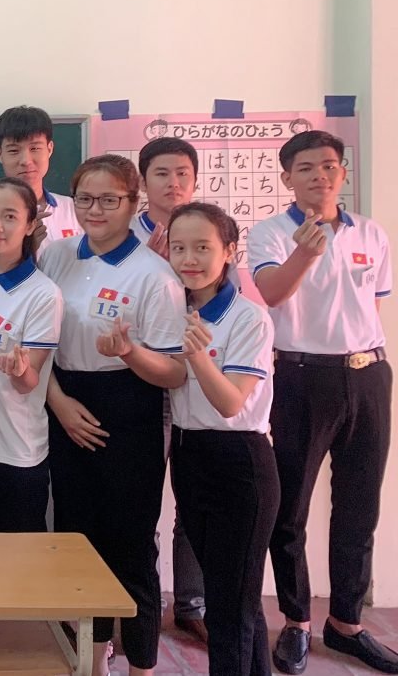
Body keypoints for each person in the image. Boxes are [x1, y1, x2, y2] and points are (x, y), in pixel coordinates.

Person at [247, 130, 397, 675]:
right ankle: (296, 621)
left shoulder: (371, 233)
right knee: (290, 507)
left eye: (330, 166)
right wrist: (306, 253)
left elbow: (371, 306)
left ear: (343, 173)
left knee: (360, 506)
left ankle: (347, 624)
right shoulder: (269, 234)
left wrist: (365, 363)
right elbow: (272, 293)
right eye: (306, 168)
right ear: (287, 177)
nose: (320, 176)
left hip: (368, 374)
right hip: (301, 376)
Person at [39, 154, 186, 676]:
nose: (95, 210)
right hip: (65, 402)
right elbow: (35, 340)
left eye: (108, 200)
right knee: (78, 541)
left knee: (131, 545)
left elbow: (174, 372)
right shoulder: (56, 255)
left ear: (132, 203)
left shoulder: (155, 275)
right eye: (85, 199)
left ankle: (142, 664)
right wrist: (58, 401)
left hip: (129, 408)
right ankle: (94, 660)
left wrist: (129, 353)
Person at [166, 202, 279, 676]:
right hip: (189, 454)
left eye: (202, 247)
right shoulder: (173, 309)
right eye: (178, 248)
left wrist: (197, 356)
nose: (189, 259)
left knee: (230, 607)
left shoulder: (248, 318)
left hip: (240, 464)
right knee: (233, 594)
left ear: (230, 251)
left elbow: (231, 402)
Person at [133, 136, 209, 643]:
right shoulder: (125, 236)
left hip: (198, 379)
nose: (174, 183)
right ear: (143, 182)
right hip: (141, 379)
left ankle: (191, 602)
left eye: (183, 173)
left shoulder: (205, 233)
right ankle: (141, 605)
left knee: (194, 496)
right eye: (162, 173)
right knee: (140, 502)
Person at [0, 178, 63, 533]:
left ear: (30, 224)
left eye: (9, 216)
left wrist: (19, 369)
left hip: (15, 450)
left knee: (18, 560)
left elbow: (29, 382)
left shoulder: (43, 294)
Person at [0, 106, 81, 258]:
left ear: (49, 149)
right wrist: (26, 248)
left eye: (35, 148)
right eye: (14, 151)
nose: (26, 161)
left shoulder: (74, 209)